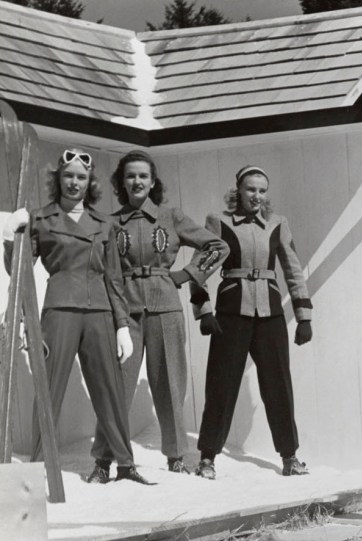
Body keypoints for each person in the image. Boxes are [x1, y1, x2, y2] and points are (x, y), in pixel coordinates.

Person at [7, 149, 150, 484]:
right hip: (58, 311)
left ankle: (125, 465)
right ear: (58, 178)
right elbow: (20, 270)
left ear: (90, 183)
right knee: (49, 389)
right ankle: (38, 469)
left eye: (81, 177)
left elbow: (114, 278)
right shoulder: (40, 220)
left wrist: (122, 326)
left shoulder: (104, 224)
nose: (74, 182)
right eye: (68, 175)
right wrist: (10, 239)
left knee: (110, 391)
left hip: (100, 312)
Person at [88, 150, 229, 479]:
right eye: (130, 176)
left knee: (169, 385)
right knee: (117, 387)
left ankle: (176, 456)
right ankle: (103, 460)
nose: (137, 181)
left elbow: (217, 246)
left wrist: (187, 274)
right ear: (121, 182)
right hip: (124, 312)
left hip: (165, 309)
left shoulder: (172, 216)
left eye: (143, 176)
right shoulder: (110, 223)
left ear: (153, 183)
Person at [190, 165, 314, 479]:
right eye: (250, 189)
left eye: (261, 190)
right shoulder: (218, 222)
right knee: (221, 385)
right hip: (231, 313)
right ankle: (207, 458)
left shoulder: (278, 224)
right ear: (238, 191)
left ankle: (290, 457)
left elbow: (294, 270)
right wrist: (204, 310)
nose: (256, 196)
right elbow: (198, 267)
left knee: (278, 387)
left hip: (270, 315)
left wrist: (303, 316)